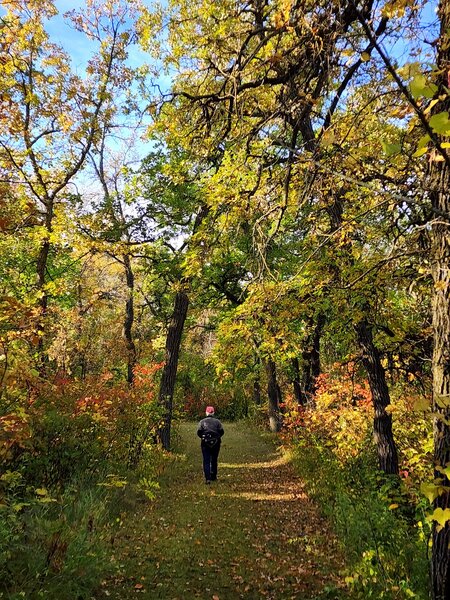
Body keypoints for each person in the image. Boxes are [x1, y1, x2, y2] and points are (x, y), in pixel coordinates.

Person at [197, 406, 224, 484]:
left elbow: (199, 432)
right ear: (213, 413)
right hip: (216, 443)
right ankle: (213, 476)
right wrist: (216, 437)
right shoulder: (218, 422)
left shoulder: (202, 422)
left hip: (205, 443)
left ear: (206, 412)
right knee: (214, 460)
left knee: (206, 460)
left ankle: (207, 478)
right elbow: (222, 432)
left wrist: (203, 438)